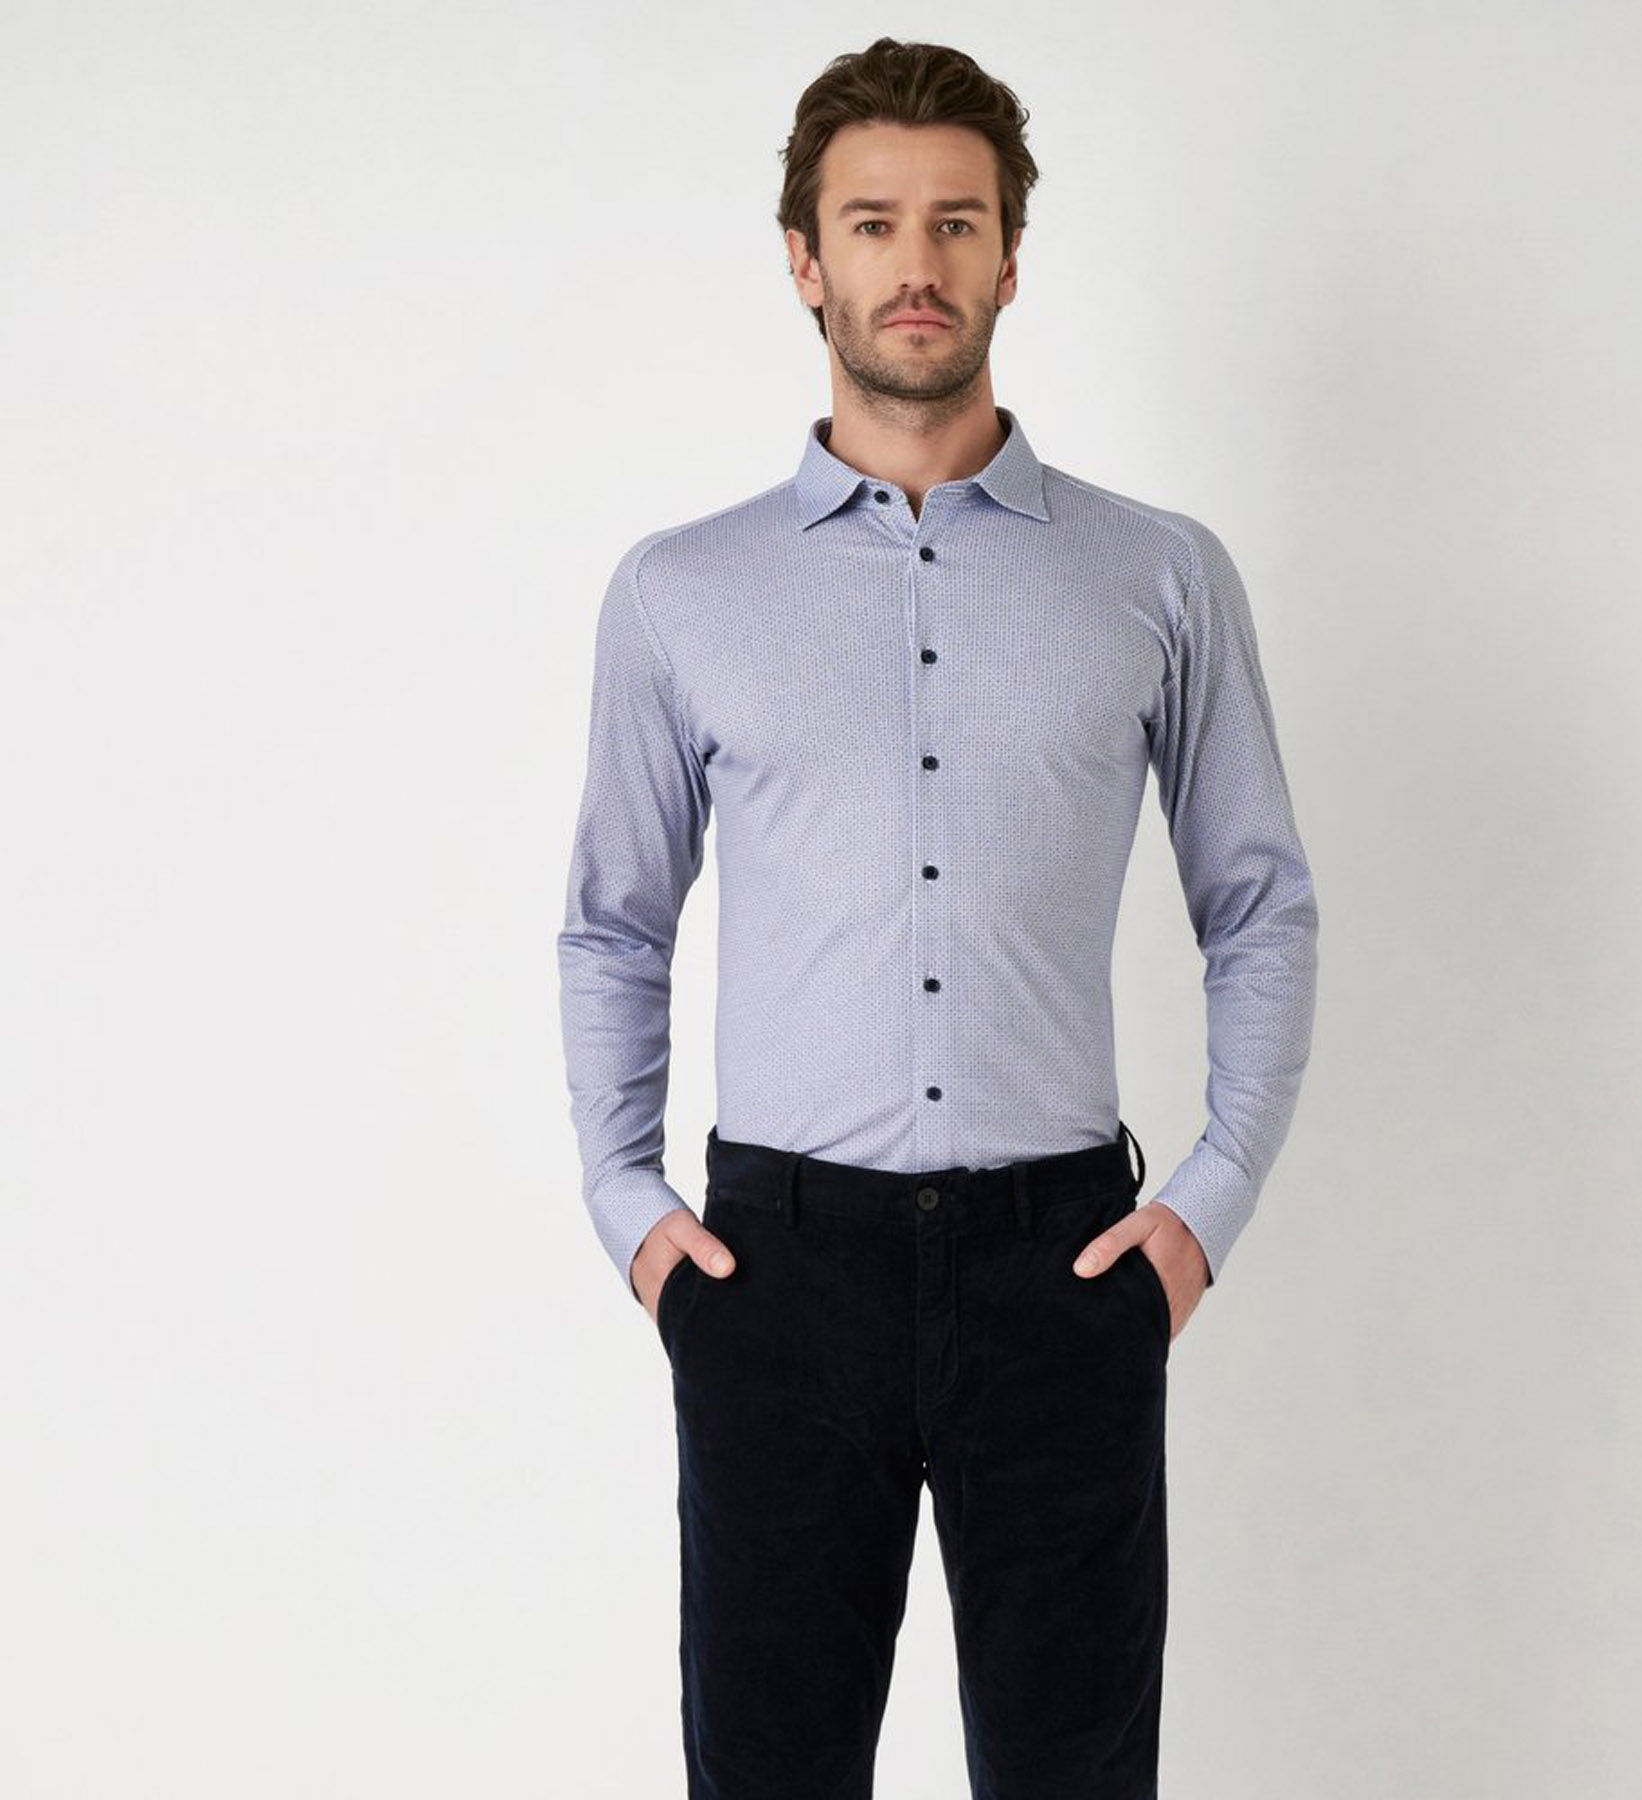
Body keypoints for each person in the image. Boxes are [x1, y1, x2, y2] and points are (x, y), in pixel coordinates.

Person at [556, 36, 1319, 1800]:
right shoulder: (681, 592)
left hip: (1064, 1274)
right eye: (875, 222)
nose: (918, 263)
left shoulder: (1158, 575)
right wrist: (630, 1210)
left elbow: (1260, 902)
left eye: (957, 223)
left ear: (1010, 259)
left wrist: (1206, 1208)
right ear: (804, 259)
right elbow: (613, 921)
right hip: (774, 1274)